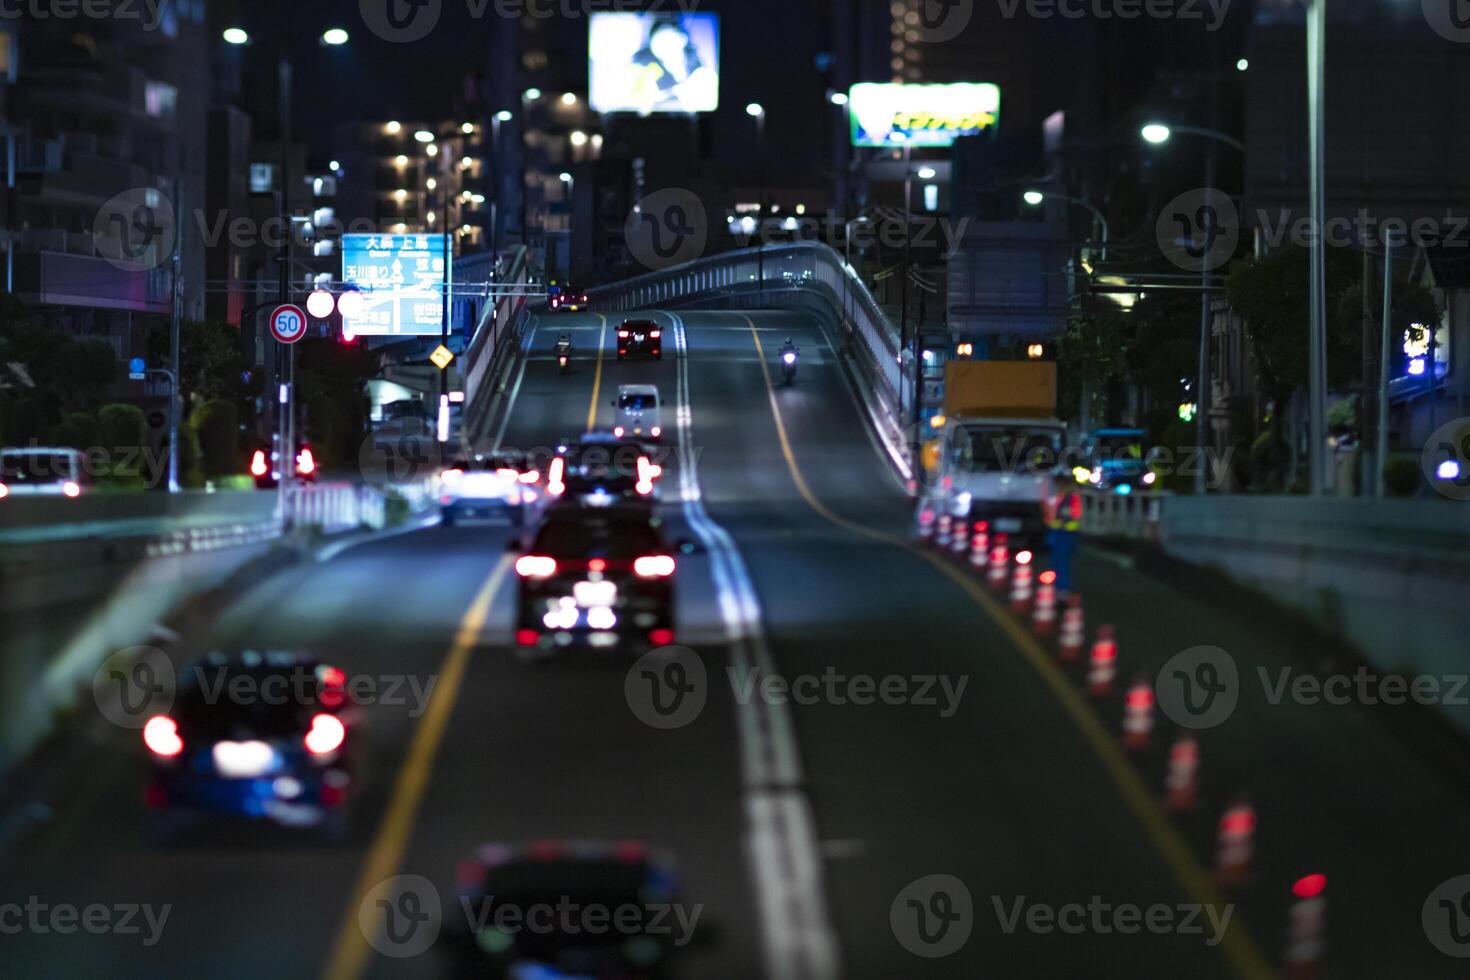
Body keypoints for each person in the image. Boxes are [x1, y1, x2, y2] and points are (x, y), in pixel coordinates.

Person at [1045, 486, 1082, 593]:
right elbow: (1049, 513)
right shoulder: (1056, 497)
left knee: (1062, 562)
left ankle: (1062, 587)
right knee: (1057, 561)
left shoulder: (1072, 498)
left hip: (1066, 534)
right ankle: (1057, 586)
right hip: (1057, 533)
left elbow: (1076, 514)